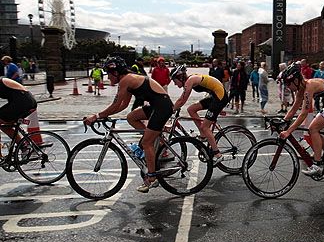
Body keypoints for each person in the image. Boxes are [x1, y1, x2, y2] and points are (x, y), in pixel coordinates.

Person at [83, 57, 174, 193]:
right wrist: (105, 115)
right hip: (157, 105)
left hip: (162, 107)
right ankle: (155, 137)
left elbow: (115, 105)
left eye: (108, 73)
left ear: (115, 72)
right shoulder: (127, 80)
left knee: (147, 143)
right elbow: (123, 105)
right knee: (131, 117)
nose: (108, 77)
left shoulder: (126, 80)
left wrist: (97, 116)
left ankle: (152, 178)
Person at [279, 64, 324, 176]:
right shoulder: (300, 89)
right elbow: (294, 109)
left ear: (296, 80)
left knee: (313, 128)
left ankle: (317, 165)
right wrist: (282, 121)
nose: (287, 86)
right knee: (314, 128)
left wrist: (288, 131)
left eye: (288, 83)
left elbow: (303, 114)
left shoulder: (308, 86)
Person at [170, 65, 230, 164]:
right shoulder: (191, 80)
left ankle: (217, 154)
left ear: (180, 77)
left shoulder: (190, 81)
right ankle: (203, 135)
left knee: (205, 127)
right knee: (191, 109)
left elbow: (182, 100)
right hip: (215, 96)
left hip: (219, 97)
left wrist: (171, 110)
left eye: (174, 81)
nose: (175, 84)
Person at [0, 77, 37, 159]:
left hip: (22, 102)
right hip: (27, 101)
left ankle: (25, 147)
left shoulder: (2, 81)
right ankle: (24, 147)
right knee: (6, 127)